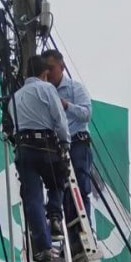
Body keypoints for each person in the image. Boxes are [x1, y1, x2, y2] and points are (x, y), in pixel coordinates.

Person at [10, 54, 71, 262]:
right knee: (57, 182)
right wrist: (65, 143)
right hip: (46, 147)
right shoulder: (47, 89)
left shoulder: (15, 97)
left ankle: (44, 247)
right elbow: (59, 120)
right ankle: (54, 216)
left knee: (33, 198)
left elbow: (12, 127)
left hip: (24, 149)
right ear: (45, 73)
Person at [42, 49, 93, 228]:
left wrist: (66, 105)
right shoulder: (43, 91)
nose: (48, 73)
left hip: (77, 142)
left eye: (51, 68)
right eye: (45, 69)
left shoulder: (74, 88)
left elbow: (86, 114)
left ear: (62, 66)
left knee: (79, 187)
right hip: (57, 146)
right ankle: (70, 238)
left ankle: (84, 231)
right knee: (59, 189)